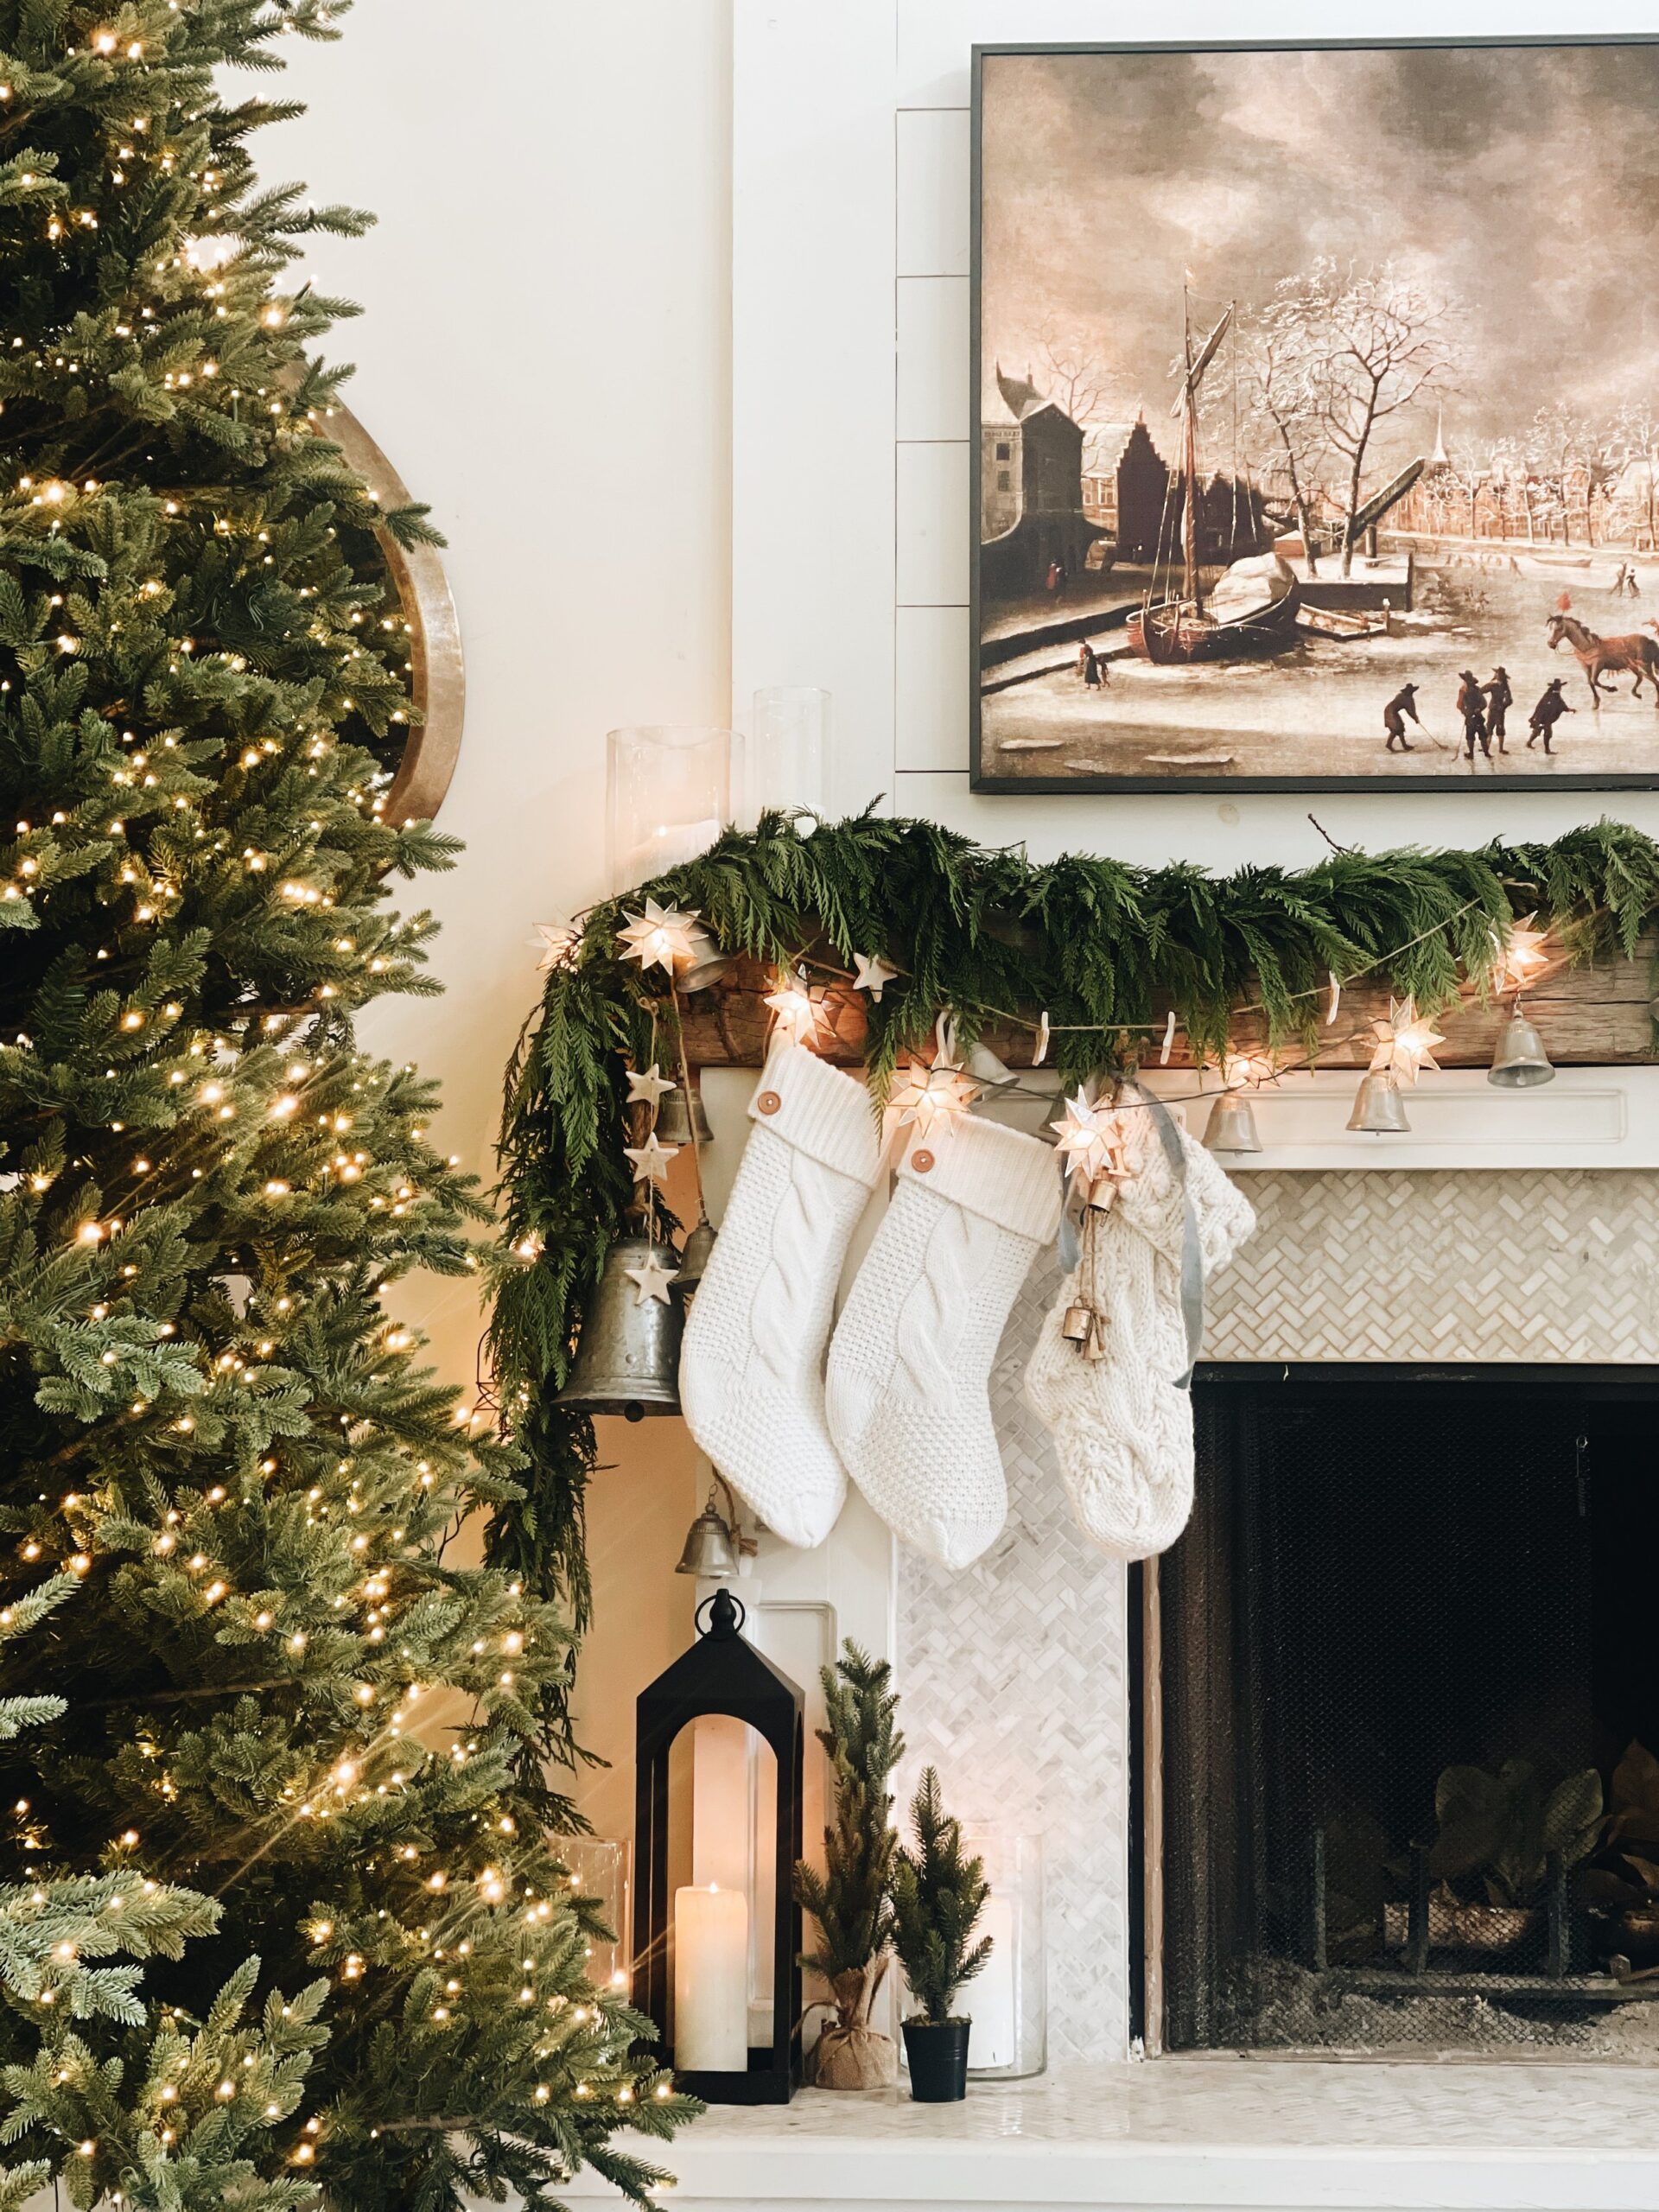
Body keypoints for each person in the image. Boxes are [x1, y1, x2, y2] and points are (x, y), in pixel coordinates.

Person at [1528, 676, 1574, 754]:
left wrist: (1534, 716)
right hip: (1546, 718)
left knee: (1538, 730)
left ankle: (1529, 743)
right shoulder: (1556, 696)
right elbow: (1562, 706)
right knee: (1548, 734)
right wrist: (1570, 710)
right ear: (1559, 688)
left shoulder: (1548, 694)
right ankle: (1547, 750)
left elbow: (1540, 705)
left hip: (1540, 717)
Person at [1457, 670, 1489, 759]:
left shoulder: (1463, 690)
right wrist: (1479, 709)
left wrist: (1465, 712)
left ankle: (1471, 754)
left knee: (1470, 736)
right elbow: (1484, 703)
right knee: (1482, 734)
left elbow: (1459, 705)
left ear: (1465, 681)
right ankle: (1486, 753)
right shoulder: (1477, 689)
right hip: (1478, 716)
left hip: (1470, 716)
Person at [1382, 681, 1421, 752]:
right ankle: (1389, 744)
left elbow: (1410, 710)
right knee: (1396, 729)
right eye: (1410, 691)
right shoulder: (1408, 699)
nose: (1411, 693)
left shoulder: (1400, 695)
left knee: (1400, 727)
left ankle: (1404, 746)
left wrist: (1415, 718)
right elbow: (1411, 711)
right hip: (1391, 712)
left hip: (1389, 710)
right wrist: (1416, 718)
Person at [1484, 666, 1513, 753]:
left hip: (1493, 709)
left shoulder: (1493, 685)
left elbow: (1481, 690)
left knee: (1490, 728)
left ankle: (1487, 748)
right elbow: (1509, 700)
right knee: (1498, 729)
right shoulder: (1505, 686)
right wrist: (1503, 707)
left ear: (1498, 675)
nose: (1495, 674)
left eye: (1496, 673)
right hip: (1499, 711)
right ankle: (1500, 749)